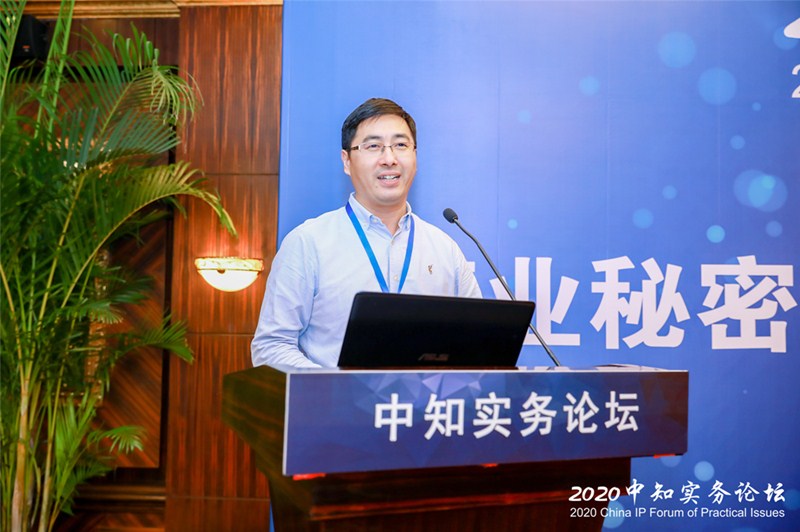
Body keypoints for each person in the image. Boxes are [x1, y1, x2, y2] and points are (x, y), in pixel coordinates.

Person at [251, 98, 481, 369]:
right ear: (346, 161)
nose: (389, 159)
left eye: (401, 145)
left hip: (425, 397)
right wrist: (337, 386)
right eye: (373, 146)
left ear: (415, 157)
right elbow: (271, 347)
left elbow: (476, 342)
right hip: (335, 397)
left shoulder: (445, 249)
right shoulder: (308, 242)